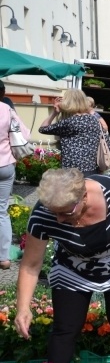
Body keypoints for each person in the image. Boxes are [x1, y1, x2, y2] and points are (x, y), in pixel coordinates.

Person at [14, 168, 110, 363]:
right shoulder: (43, 214)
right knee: (65, 329)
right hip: (73, 268)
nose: (60, 220)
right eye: (55, 213)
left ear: (85, 196)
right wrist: (23, 308)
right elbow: (30, 265)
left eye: (66, 212)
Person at [39, 89, 107, 175]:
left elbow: (42, 128)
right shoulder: (94, 119)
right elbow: (105, 139)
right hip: (91, 167)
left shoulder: (69, 122)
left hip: (71, 169)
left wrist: (54, 113)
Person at [0, 103, 30, 269]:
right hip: (5, 164)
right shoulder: (7, 109)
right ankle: (3, 258)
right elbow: (25, 133)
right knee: (1, 211)